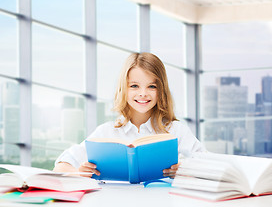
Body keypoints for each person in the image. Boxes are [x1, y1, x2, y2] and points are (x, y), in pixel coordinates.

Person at [54, 52, 205, 178]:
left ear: (162, 91)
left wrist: (186, 171)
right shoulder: (106, 132)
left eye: (152, 86)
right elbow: (61, 166)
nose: (143, 93)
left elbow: (209, 166)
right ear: (123, 89)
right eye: (134, 86)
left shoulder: (177, 131)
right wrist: (79, 174)